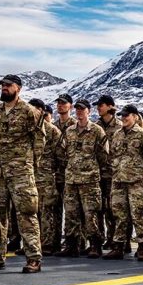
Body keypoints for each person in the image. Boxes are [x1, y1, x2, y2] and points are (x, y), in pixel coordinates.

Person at [0, 74, 44, 274]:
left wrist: (30, 164)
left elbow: (39, 140)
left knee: (27, 214)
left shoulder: (29, 112)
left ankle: (33, 258)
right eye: (2, 85)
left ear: (18, 88)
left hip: (21, 171)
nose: (4, 88)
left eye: (8, 85)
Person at [55, 99, 109, 259]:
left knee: (90, 214)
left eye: (82, 109)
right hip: (71, 179)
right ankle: (72, 245)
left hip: (89, 180)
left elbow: (104, 156)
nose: (79, 112)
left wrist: (91, 168)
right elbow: (62, 152)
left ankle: (95, 245)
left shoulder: (97, 131)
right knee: (71, 213)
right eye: (77, 109)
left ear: (88, 111)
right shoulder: (69, 131)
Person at [104, 104, 143, 261]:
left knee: (138, 214)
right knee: (119, 214)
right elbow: (111, 155)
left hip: (136, 181)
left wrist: (140, 173)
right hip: (118, 181)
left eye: (127, 115)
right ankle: (118, 245)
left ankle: (142, 246)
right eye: (122, 115)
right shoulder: (117, 135)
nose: (124, 118)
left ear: (135, 116)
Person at [28, 99, 62, 256]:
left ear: (40, 111)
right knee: (30, 212)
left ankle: (48, 244)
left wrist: (52, 170)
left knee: (47, 212)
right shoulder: (27, 129)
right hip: (30, 177)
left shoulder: (52, 131)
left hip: (47, 178)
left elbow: (61, 155)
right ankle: (31, 244)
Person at [94, 94, 121, 249]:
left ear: (110, 107)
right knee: (99, 207)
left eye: (102, 105)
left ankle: (115, 238)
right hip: (98, 173)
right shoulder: (96, 127)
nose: (99, 107)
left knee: (113, 208)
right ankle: (101, 237)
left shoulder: (119, 127)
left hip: (114, 174)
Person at [52, 93, 77, 252]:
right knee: (54, 210)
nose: (61, 105)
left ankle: (73, 243)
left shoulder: (75, 125)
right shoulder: (54, 126)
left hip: (71, 174)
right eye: (59, 103)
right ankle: (53, 241)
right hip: (56, 174)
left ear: (70, 106)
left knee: (72, 211)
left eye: (64, 103)